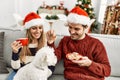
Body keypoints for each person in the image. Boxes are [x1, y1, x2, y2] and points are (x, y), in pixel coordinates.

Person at [46, 6, 111, 80]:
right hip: (71, 78)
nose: (72, 32)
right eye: (70, 27)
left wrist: (90, 64)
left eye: (76, 29)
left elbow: (107, 71)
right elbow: (53, 59)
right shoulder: (65, 41)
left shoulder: (96, 44)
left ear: (85, 27)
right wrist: (50, 43)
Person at [7, 12, 55, 80]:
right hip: (22, 74)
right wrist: (15, 52)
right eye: (34, 28)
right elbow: (16, 68)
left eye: (40, 28)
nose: (38, 31)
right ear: (28, 29)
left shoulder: (45, 43)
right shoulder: (21, 43)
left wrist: (39, 76)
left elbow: (52, 65)